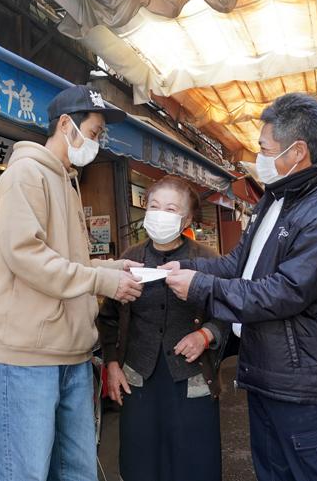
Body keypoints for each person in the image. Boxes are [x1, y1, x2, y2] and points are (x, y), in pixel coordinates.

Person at [163, 93, 317, 481]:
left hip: (303, 386)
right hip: (266, 375)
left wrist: (202, 288)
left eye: (265, 148)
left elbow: (283, 292)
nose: (259, 157)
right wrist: (186, 266)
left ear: (298, 151)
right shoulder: (274, 198)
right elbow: (239, 265)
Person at [0, 85, 144, 481]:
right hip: (30, 358)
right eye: (93, 133)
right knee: (26, 473)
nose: (96, 143)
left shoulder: (67, 180)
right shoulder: (24, 175)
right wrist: (101, 280)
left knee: (77, 471)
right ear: (64, 124)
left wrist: (109, 267)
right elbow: (28, 258)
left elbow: (67, 262)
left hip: (73, 352)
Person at [97, 175, 230, 481]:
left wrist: (206, 334)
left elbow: (228, 312)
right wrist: (113, 364)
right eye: (155, 206)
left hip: (192, 375)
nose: (160, 214)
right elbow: (108, 319)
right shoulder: (130, 259)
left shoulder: (206, 260)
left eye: (171, 209)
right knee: (141, 461)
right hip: (138, 376)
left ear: (186, 218)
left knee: (194, 462)